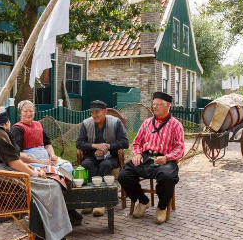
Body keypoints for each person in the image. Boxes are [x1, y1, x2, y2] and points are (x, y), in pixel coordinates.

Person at [0, 107, 78, 240]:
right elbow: (12, 161)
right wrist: (33, 172)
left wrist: (28, 168)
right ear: (7, 122)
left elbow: (8, 160)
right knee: (50, 186)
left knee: (52, 180)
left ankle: (53, 238)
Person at [11, 100, 82, 224]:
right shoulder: (17, 129)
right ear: (20, 113)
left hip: (45, 157)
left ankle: (69, 206)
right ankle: (57, 213)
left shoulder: (38, 125)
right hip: (31, 160)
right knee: (54, 175)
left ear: (34, 112)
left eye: (31, 111)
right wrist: (40, 161)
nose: (28, 114)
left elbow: (47, 143)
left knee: (67, 167)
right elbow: (18, 154)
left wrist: (53, 155)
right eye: (26, 111)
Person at [118, 92, 184, 224]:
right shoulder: (147, 123)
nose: (155, 107)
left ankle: (162, 207)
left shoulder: (176, 125)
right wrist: (137, 154)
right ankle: (143, 201)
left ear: (168, 106)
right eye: (154, 104)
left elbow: (180, 148)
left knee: (167, 177)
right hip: (146, 157)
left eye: (159, 104)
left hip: (165, 159)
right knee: (124, 175)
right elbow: (136, 143)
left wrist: (167, 157)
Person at [76, 100, 129, 216]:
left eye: (97, 112)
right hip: (92, 155)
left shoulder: (116, 123)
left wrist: (107, 147)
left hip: (111, 155)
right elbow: (79, 143)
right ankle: (91, 200)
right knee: (87, 164)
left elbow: (125, 142)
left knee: (105, 165)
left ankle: (101, 202)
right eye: (92, 113)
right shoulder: (86, 123)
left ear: (105, 112)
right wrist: (96, 146)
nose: (94, 115)